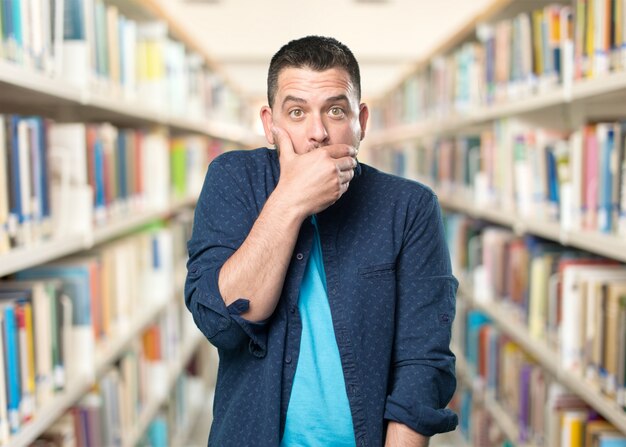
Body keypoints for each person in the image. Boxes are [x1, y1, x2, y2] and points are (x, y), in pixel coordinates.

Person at [184, 35, 458, 447]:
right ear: (269, 124)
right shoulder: (232, 179)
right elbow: (222, 323)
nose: (317, 133)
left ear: (361, 121)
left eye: (335, 110)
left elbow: (423, 363)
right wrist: (291, 200)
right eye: (296, 112)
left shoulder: (410, 207)